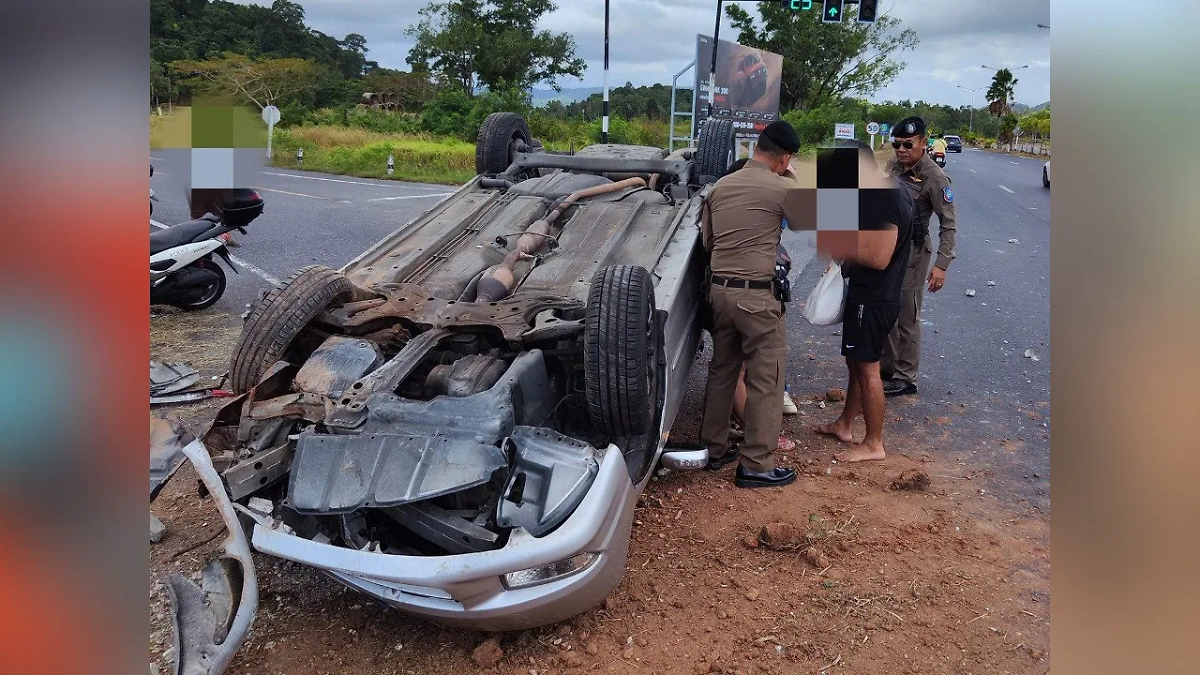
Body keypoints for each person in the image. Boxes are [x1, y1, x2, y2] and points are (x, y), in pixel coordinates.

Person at [700, 120, 811, 488]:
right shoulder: (780, 188)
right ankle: (757, 464)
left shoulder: (720, 188)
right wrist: (795, 180)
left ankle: (712, 449)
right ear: (784, 158)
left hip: (719, 293)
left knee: (723, 371)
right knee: (767, 378)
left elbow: (709, 243)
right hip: (757, 298)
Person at [813, 140, 914, 462]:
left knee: (869, 368)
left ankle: (874, 443)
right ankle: (845, 423)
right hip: (870, 295)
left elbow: (879, 257)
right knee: (856, 361)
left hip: (874, 298)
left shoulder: (887, 201)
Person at [879, 117, 958, 397]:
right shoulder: (893, 166)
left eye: (907, 144)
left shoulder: (935, 178)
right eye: (896, 144)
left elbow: (948, 224)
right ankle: (887, 368)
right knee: (885, 307)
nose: (900, 149)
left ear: (924, 143)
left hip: (913, 250)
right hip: (886, 245)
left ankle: (905, 375)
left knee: (907, 314)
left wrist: (941, 265)